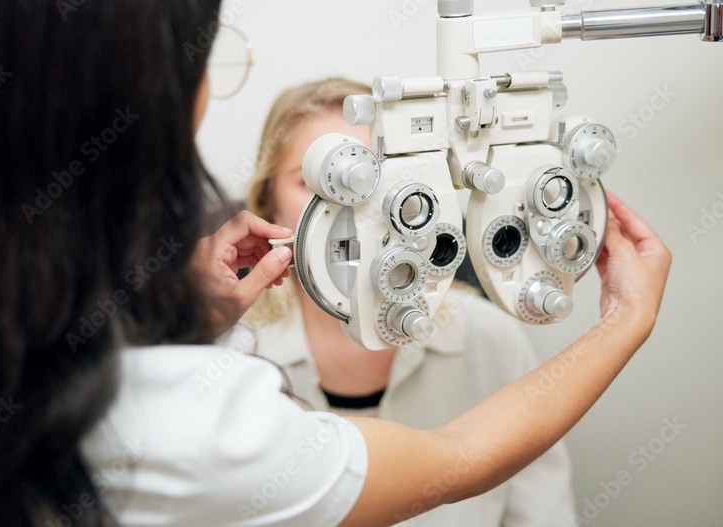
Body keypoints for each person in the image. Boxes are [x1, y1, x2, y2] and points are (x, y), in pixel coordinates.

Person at [0, 1, 671, 526]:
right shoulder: (197, 418)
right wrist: (624, 320)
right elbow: (453, 460)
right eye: (328, 182)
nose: (371, 215)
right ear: (270, 200)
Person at [242, 78, 576, 526]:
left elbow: (543, 515)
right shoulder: (232, 359)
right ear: (269, 205)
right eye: (319, 182)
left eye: (374, 177)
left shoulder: (489, 338)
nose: (353, 207)